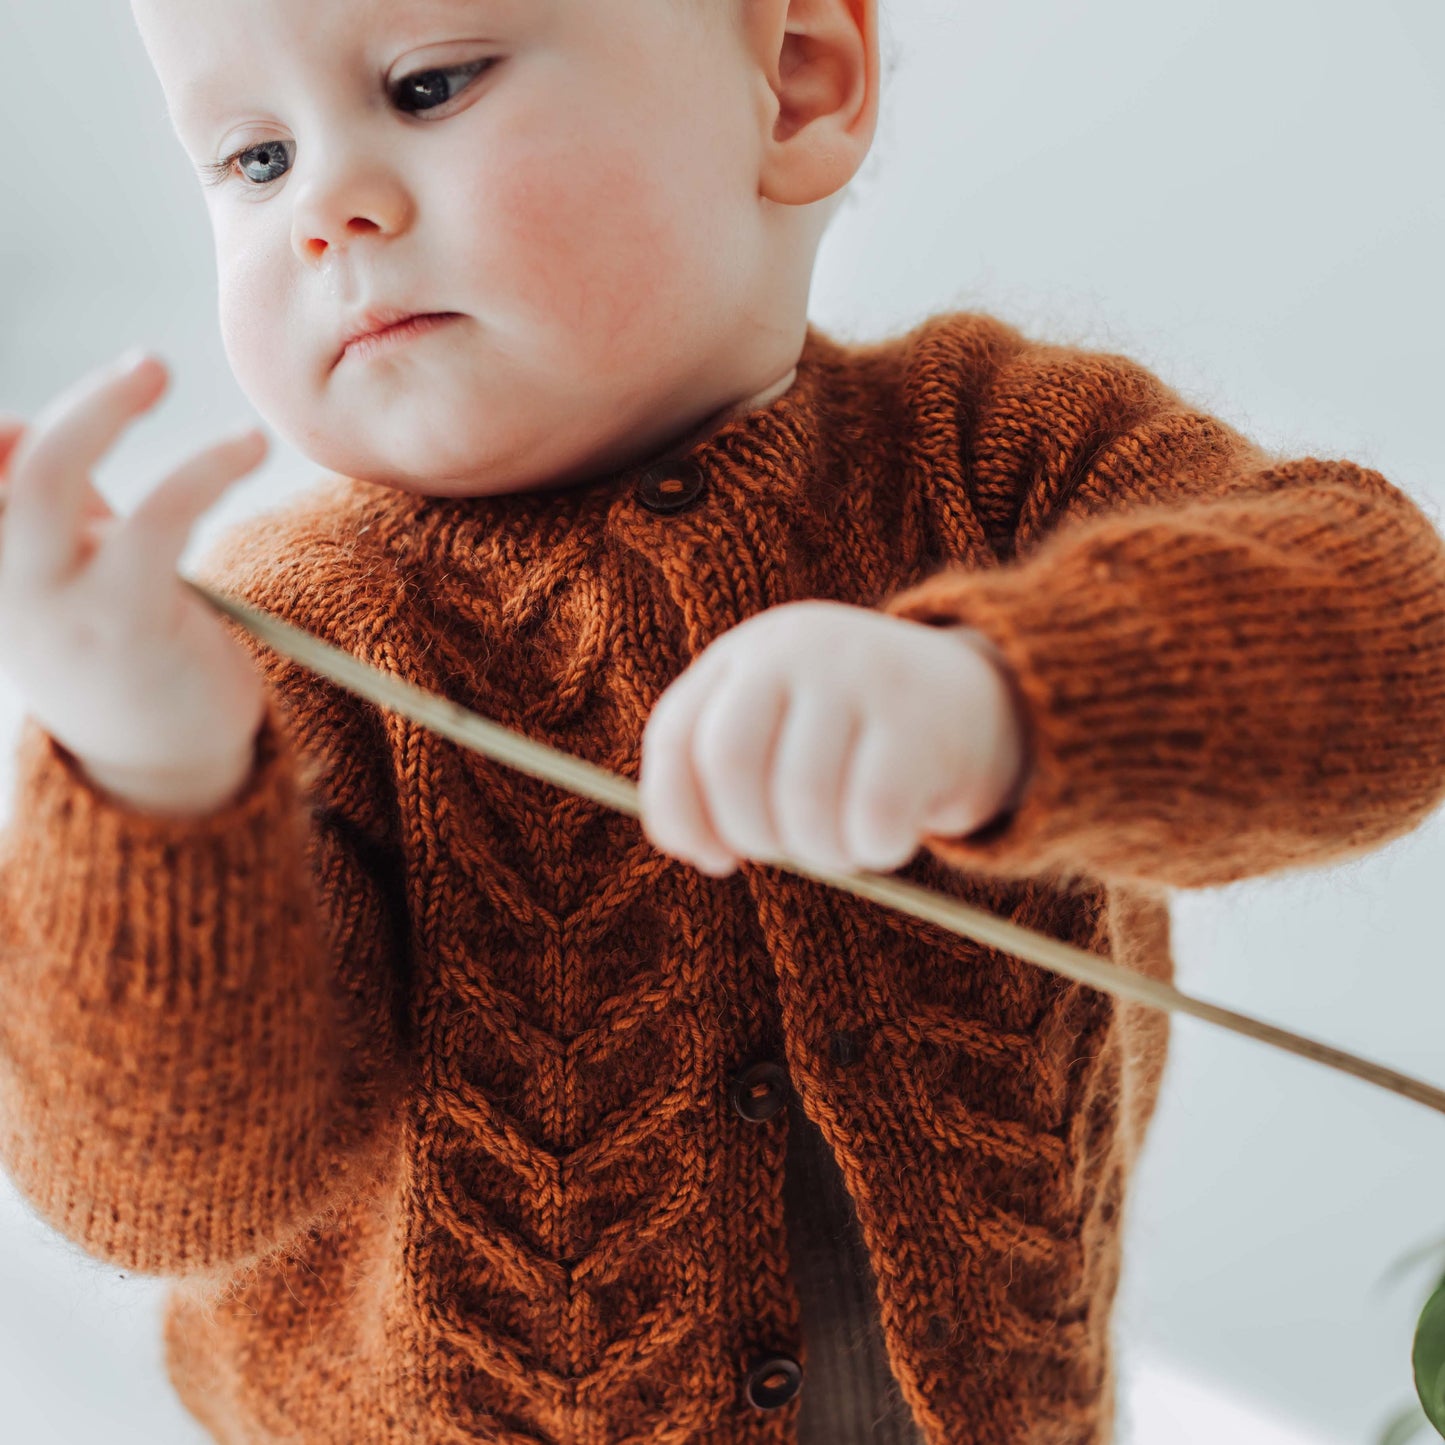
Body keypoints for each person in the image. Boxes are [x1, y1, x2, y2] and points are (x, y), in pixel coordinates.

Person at [1, 0, 1442, 1441]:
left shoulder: (995, 463)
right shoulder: (284, 652)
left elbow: (1396, 646)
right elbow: (160, 1197)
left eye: (429, 86)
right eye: (252, 161)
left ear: (797, 85)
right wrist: (156, 788)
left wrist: (1006, 697)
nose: (326, 208)